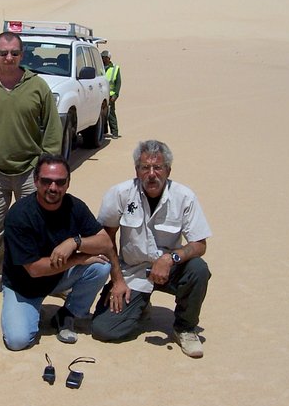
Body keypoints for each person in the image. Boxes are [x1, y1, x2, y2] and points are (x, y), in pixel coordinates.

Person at [0, 31, 63, 293]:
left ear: (21, 55)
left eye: (14, 53)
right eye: (3, 53)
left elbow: (52, 128)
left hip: (31, 172)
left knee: (40, 225)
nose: (9, 58)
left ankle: (48, 274)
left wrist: (45, 166)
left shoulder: (37, 86)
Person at [91, 140, 212, 358]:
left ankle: (184, 327)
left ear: (168, 170)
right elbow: (106, 240)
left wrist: (171, 258)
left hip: (170, 270)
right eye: (145, 167)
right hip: (132, 271)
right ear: (136, 170)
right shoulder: (120, 193)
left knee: (198, 269)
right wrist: (117, 280)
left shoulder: (184, 197)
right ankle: (140, 305)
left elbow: (199, 244)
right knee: (103, 329)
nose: (152, 174)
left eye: (158, 167)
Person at [1, 154, 113, 350]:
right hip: (24, 286)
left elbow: (105, 242)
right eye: (47, 181)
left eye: (60, 182)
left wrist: (74, 242)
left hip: (58, 276)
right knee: (17, 341)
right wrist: (77, 259)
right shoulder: (19, 215)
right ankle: (31, 311)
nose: (53, 188)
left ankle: (68, 314)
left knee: (101, 265)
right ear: (36, 181)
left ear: (68, 184)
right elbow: (35, 270)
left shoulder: (74, 207)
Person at [101, 50, 122, 139]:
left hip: (110, 95)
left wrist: (115, 95)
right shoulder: (99, 66)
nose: (103, 59)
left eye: (105, 57)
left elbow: (118, 83)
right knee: (101, 114)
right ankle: (103, 131)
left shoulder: (115, 68)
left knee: (111, 114)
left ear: (109, 58)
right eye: (102, 57)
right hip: (100, 94)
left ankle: (115, 132)